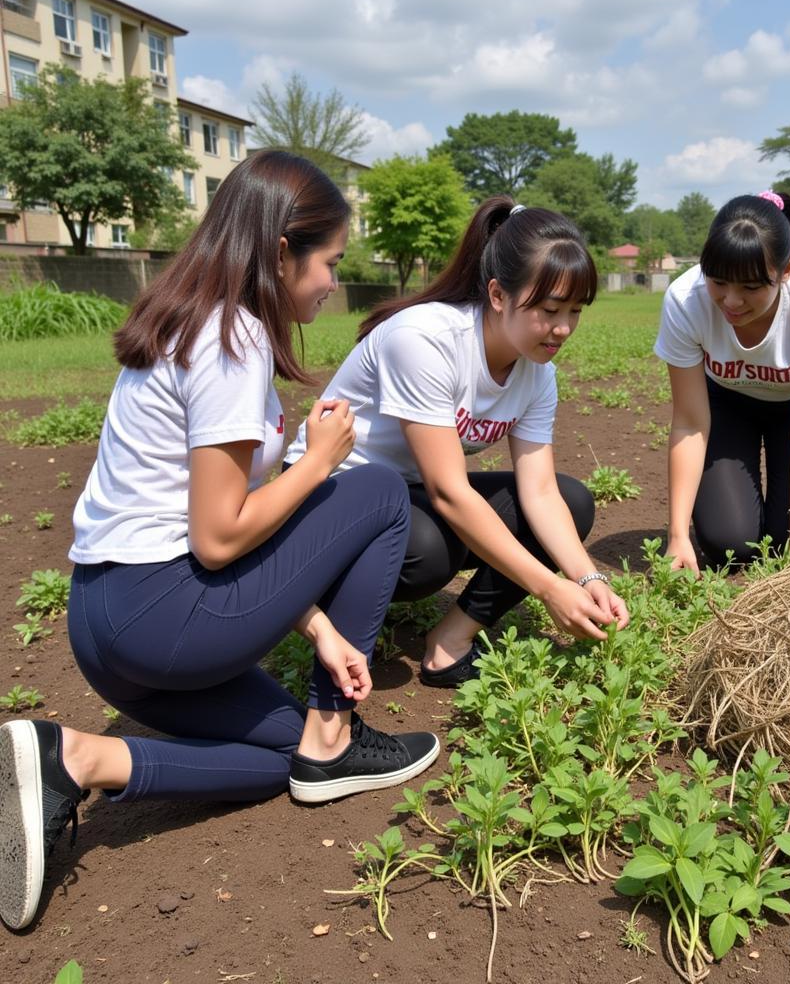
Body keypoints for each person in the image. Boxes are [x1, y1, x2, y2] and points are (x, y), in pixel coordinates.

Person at [0, 151, 438, 934]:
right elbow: (218, 536)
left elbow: (233, 541)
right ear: (280, 253)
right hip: (163, 614)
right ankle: (337, 733)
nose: (334, 280)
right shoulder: (233, 336)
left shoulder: (192, 320)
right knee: (373, 491)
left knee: (285, 758)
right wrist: (320, 465)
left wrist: (320, 627)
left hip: (106, 625)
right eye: (330, 261)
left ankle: (75, 758)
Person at [284, 197, 629, 687]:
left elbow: (541, 492)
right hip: (327, 495)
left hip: (408, 492)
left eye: (575, 311)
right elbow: (449, 492)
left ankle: (451, 641)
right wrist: (549, 588)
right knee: (428, 549)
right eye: (550, 309)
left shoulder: (537, 374)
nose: (563, 329)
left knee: (571, 503)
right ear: (497, 294)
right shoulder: (425, 340)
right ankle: (330, 611)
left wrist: (588, 578)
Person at [656, 190, 790, 572]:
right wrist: (678, 534)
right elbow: (690, 424)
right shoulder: (685, 300)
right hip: (726, 403)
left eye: (750, 287)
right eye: (718, 282)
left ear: (787, 270)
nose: (731, 301)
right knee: (730, 544)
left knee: (786, 545)